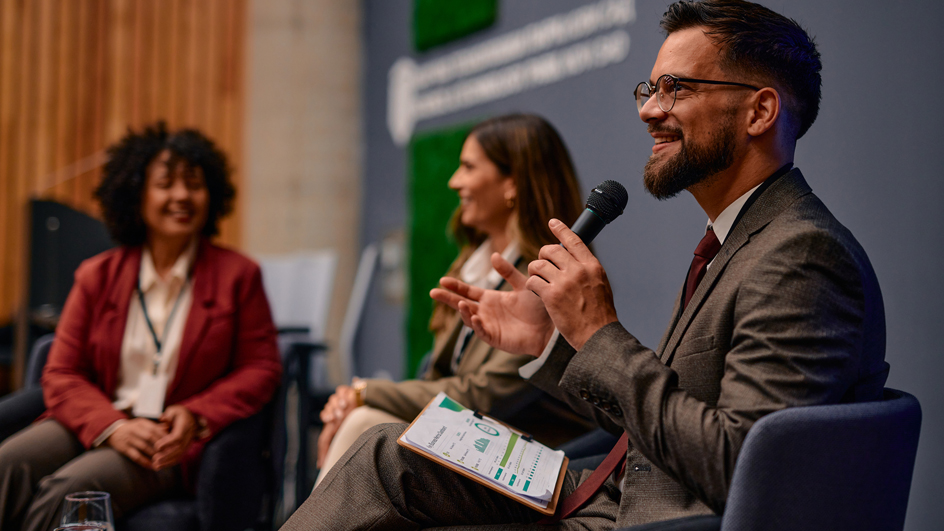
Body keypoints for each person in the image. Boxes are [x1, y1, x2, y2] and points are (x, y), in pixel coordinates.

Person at [279, 1, 889, 529]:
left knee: (385, 460)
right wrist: (552, 342)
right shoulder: (738, 241)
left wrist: (601, 335)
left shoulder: (802, 256)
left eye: (677, 88)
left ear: (759, 112)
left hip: (644, 521)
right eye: (649, 89)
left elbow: (742, 468)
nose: (650, 110)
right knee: (390, 451)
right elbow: (664, 414)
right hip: (606, 495)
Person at [0, 122, 282, 531]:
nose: (182, 196)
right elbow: (61, 373)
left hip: (165, 443)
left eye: (194, 184)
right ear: (137, 195)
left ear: (213, 195)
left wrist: (196, 415)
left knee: (71, 491)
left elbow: (262, 369)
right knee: (7, 466)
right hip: (95, 419)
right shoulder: (96, 276)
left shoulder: (239, 275)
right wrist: (111, 426)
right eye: (166, 184)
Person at [315, 114, 595, 483]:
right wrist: (357, 397)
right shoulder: (469, 266)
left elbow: (484, 395)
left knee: (365, 422)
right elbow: (440, 379)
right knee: (361, 421)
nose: (454, 181)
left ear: (512, 183)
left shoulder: (548, 279)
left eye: (467, 167)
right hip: (465, 435)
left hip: (529, 455)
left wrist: (365, 393)